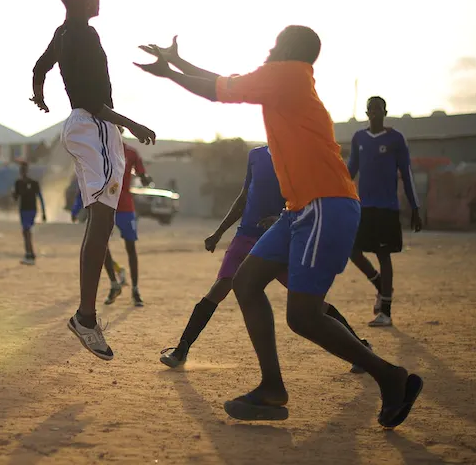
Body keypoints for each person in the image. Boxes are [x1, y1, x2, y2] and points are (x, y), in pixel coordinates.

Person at [136, 30, 422, 428]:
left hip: (326, 204)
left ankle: (390, 378)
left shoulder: (286, 75)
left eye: (274, 45)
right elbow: (228, 82)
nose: (268, 50)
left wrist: (170, 73)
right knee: (247, 282)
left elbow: (220, 91)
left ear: (287, 50)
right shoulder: (287, 79)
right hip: (300, 209)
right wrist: (178, 64)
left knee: (302, 317)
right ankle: (272, 389)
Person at [31, 0, 156, 361]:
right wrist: (130, 124)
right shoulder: (84, 35)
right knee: (101, 223)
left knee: (99, 222)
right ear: (87, 0)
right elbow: (89, 97)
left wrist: (39, 96)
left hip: (87, 127)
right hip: (94, 125)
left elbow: (40, 66)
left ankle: (87, 315)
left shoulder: (64, 32)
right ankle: (85, 316)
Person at [159, 146, 371, 373]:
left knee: (312, 303)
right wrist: (219, 232)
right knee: (220, 287)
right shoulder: (256, 155)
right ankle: (181, 349)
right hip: (246, 235)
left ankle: (360, 350)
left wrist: (281, 218)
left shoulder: (298, 155)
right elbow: (244, 197)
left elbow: (307, 198)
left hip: (278, 240)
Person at [347, 96, 422, 327]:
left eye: (378, 109)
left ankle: (386, 312)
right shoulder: (359, 138)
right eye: (370, 110)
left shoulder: (395, 139)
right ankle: (381, 285)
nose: (374, 113)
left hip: (387, 209)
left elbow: (406, 174)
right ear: (367, 113)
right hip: (364, 207)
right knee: (352, 250)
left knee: (383, 256)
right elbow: (350, 171)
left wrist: (415, 207)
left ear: (385, 111)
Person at [103, 143, 151, 307]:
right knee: (101, 245)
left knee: (131, 247)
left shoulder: (130, 152)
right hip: (105, 204)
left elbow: (141, 174)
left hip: (124, 206)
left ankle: (135, 290)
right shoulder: (101, 148)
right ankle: (114, 283)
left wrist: (145, 179)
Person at [14, 161, 47, 265]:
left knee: (27, 231)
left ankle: (30, 254)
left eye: (24, 169)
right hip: (23, 210)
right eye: (21, 170)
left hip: (31, 210)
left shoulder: (33, 183)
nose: (22, 172)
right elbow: (16, 197)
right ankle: (29, 253)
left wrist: (43, 212)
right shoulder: (18, 183)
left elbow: (40, 197)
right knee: (25, 232)